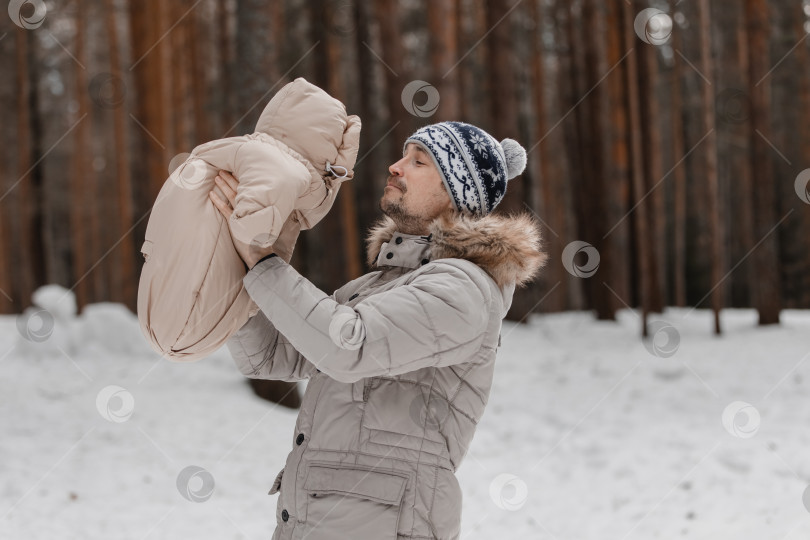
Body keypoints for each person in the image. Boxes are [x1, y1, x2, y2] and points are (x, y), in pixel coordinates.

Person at [209, 121, 547, 540]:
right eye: (403, 155)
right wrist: (237, 260)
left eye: (417, 161)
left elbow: (347, 348)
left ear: (456, 194)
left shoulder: (464, 289)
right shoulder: (376, 287)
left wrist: (263, 264)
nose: (395, 166)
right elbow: (270, 355)